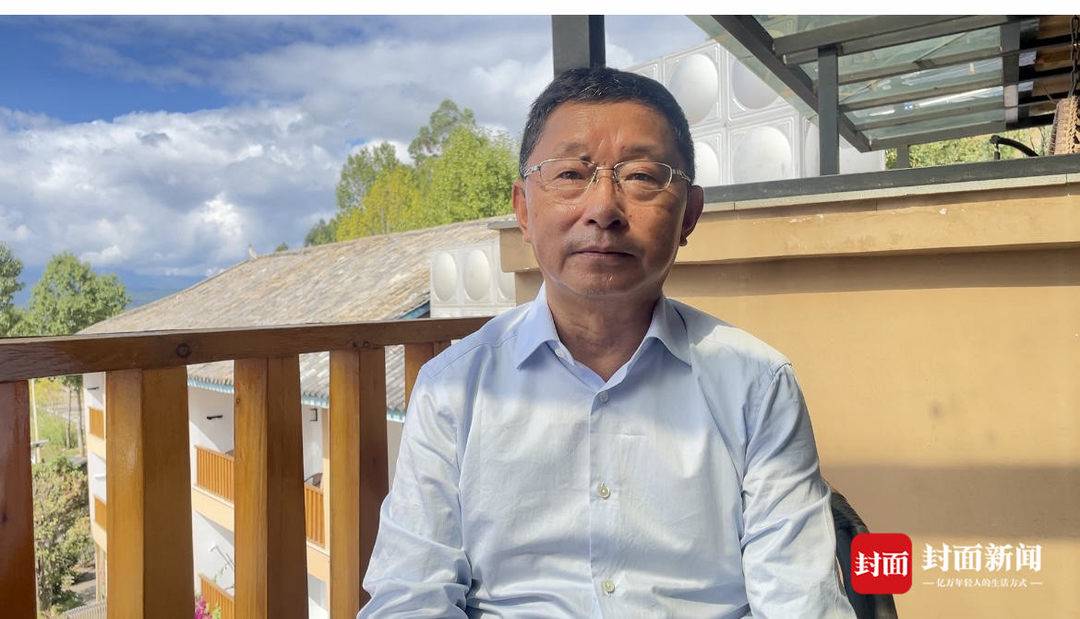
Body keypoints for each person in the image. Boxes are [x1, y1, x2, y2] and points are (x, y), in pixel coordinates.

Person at [360, 66, 856, 618]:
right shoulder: (453, 388)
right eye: (571, 174)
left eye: (641, 176)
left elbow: (799, 600)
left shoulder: (756, 384)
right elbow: (411, 599)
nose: (603, 209)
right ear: (523, 209)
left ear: (689, 214)